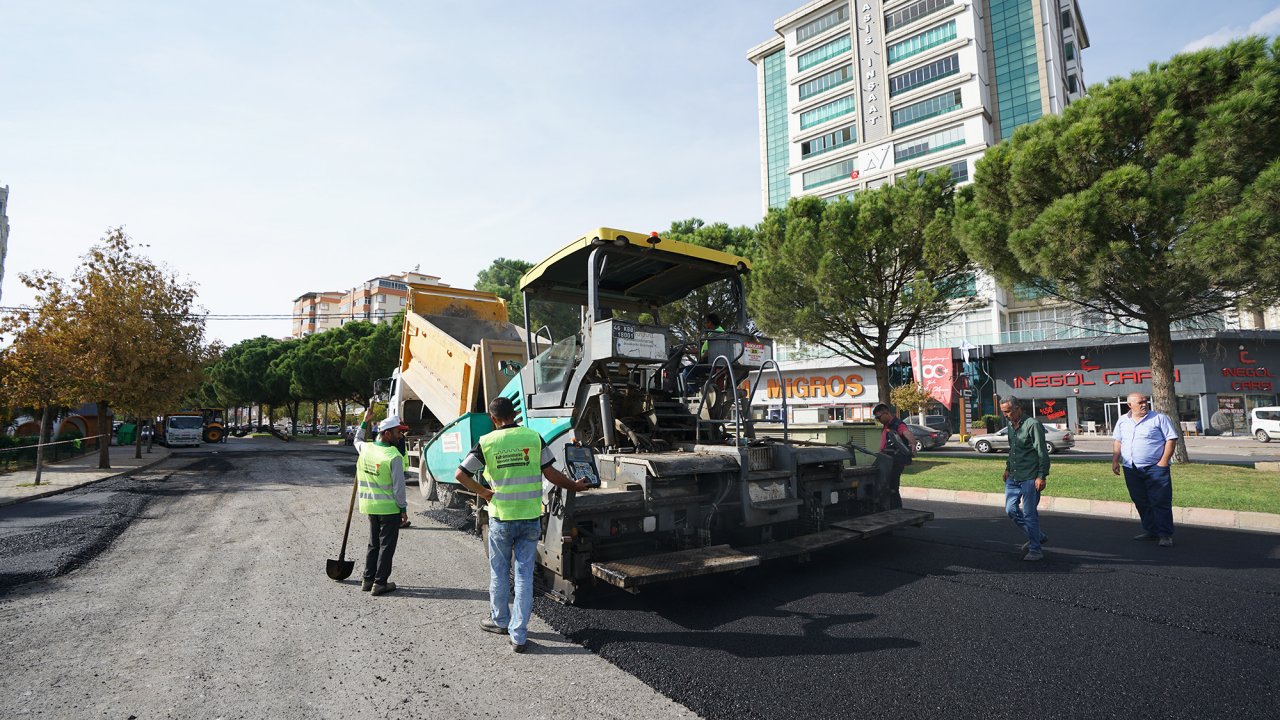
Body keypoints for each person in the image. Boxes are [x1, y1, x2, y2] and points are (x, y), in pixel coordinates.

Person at [454, 397, 590, 653]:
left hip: (501, 519)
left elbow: (460, 474)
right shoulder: (533, 437)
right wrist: (575, 486)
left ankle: (499, 620)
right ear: (515, 414)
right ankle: (519, 635)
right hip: (528, 519)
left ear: (494, 419)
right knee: (524, 575)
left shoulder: (487, 442)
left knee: (499, 572)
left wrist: (483, 491)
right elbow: (551, 473)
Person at [354, 408, 410, 595]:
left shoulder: (366, 448)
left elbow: (357, 440)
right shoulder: (393, 456)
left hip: (370, 506)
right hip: (389, 509)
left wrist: (364, 421)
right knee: (386, 546)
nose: (400, 435)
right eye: (397, 432)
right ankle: (380, 583)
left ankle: (367, 580)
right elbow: (398, 488)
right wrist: (403, 509)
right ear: (387, 433)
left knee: (373, 543)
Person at [1111, 392, 1178, 547]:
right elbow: (1118, 441)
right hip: (1131, 468)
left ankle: (1165, 534)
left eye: (1145, 401)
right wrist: (1115, 460)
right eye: (1140, 402)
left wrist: (1163, 462)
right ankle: (1151, 531)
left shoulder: (1159, 418)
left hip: (1155, 468)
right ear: (1130, 405)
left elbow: (1171, 439)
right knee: (1140, 500)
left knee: (1160, 501)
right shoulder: (1122, 421)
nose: (1144, 404)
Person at [1001, 396, 1049, 561]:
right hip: (1014, 476)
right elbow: (1012, 449)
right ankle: (1036, 535)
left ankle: (1035, 549)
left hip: (1030, 477)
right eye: (1003, 412)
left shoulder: (1033, 425)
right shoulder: (1009, 425)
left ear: (1017, 408)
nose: (1006, 415)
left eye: (1007, 411)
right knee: (1010, 510)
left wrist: (1041, 476)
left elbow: (1042, 452)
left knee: (1029, 514)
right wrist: (1007, 468)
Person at [871, 403, 915, 510]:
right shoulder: (887, 425)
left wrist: (912, 443)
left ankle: (896, 510)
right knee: (885, 485)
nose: (878, 420)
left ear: (886, 413)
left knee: (893, 487)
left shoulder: (898, 424)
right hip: (887, 460)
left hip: (895, 461)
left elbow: (906, 432)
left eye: (879, 417)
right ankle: (888, 508)